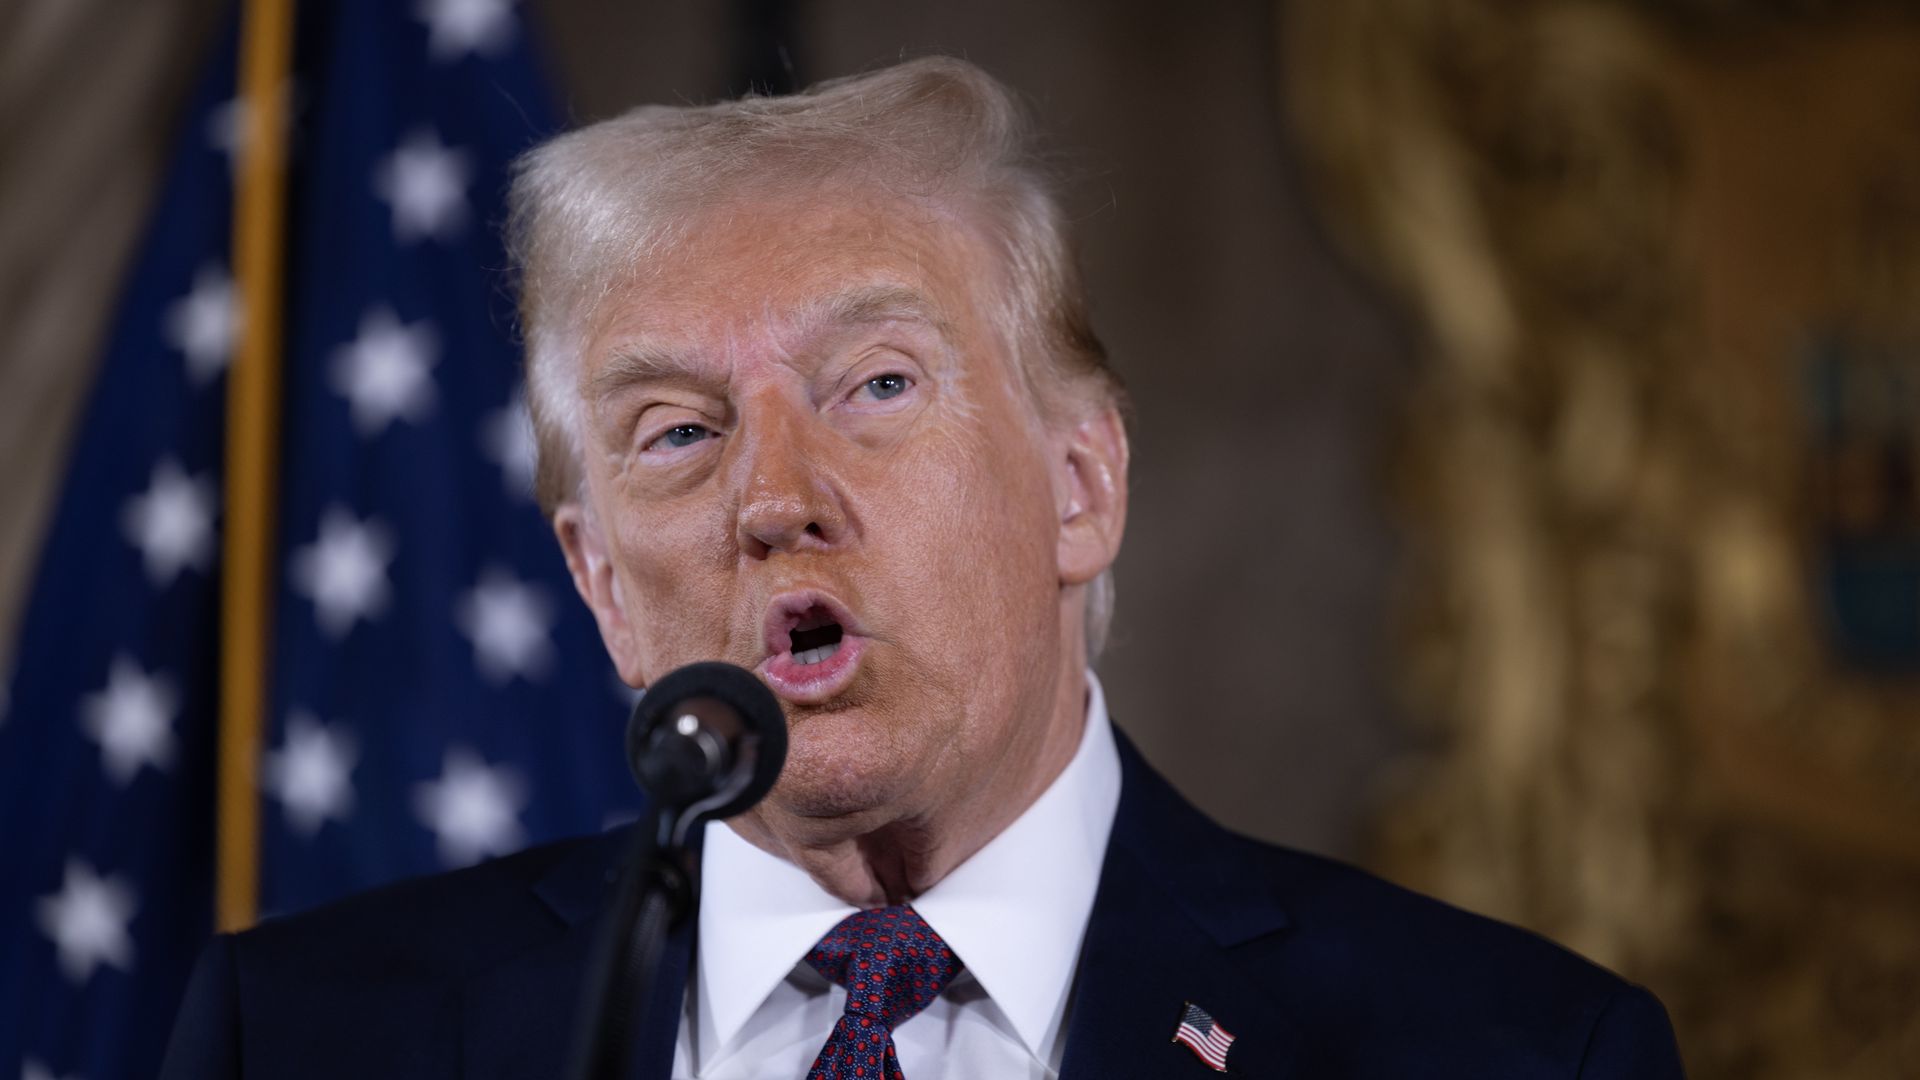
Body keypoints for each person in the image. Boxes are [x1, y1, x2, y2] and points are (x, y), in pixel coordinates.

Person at [160, 57, 1684, 1079]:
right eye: (679, 431)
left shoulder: (1507, 1052)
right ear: (605, 588)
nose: (775, 500)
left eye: (878, 386)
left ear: (1080, 487)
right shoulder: (300, 1040)